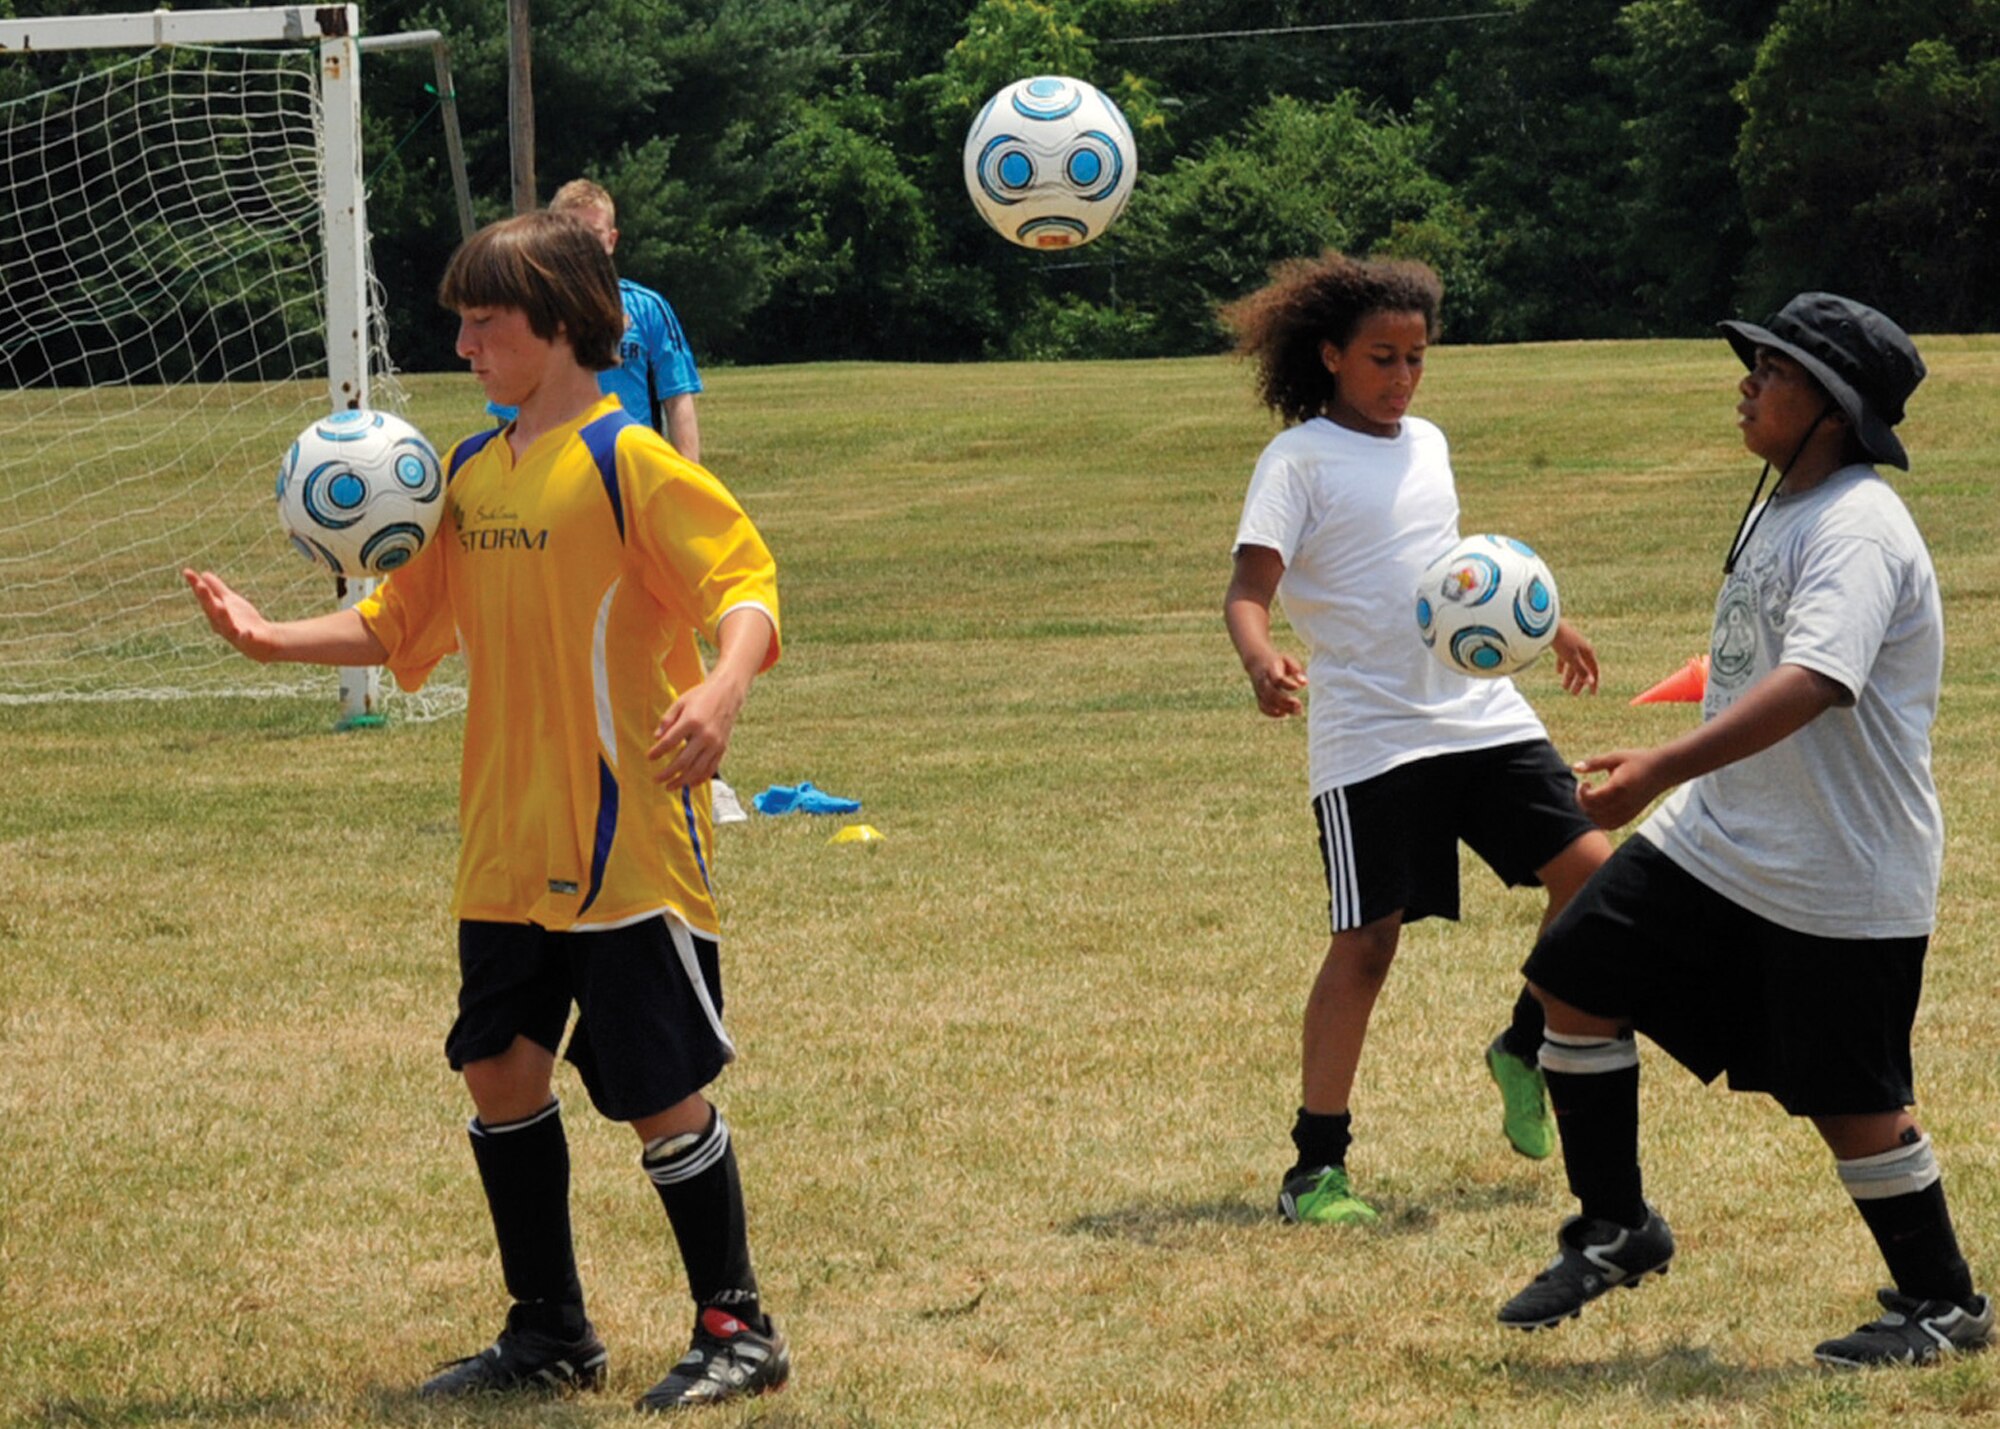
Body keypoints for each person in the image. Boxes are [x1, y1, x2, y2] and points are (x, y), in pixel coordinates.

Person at [184, 211, 790, 1410]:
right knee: (499, 1071)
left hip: (623, 840)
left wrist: (721, 688)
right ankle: (551, 1330)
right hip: (506, 840)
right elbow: (397, 622)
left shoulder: (632, 464)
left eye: (484, 321)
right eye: (459, 319)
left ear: (560, 325)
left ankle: (739, 1327)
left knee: (657, 1092)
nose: (461, 343)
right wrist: (266, 638)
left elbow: (747, 587)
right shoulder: (471, 469)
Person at [1495, 292, 1992, 1368]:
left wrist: (1658, 765)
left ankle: (1942, 1304)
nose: (1745, 382)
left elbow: (1814, 680)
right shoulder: (1783, 504)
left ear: (1831, 407)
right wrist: (1684, 784)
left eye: (1770, 369)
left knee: (1851, 1100)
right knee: (1570, 975)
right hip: (1721, 835)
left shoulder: (1858, 526)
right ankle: (1616, 1225)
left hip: (1835, 867)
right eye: (1752, 362)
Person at [1221, 251, 1611, 1227]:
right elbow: (1246, 591)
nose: (1400, 380)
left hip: (1477, 709)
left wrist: (1540, 619)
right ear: (1329, 357)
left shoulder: (1426, 444)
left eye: (1414, 359)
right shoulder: (1296, 461)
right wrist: (1260, 659)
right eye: (1380, 359)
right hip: (1370, 734)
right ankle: (1315, 1167)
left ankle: (1525, 1039)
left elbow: (1449, 563)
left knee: (1595, 873)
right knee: (1365, 945)